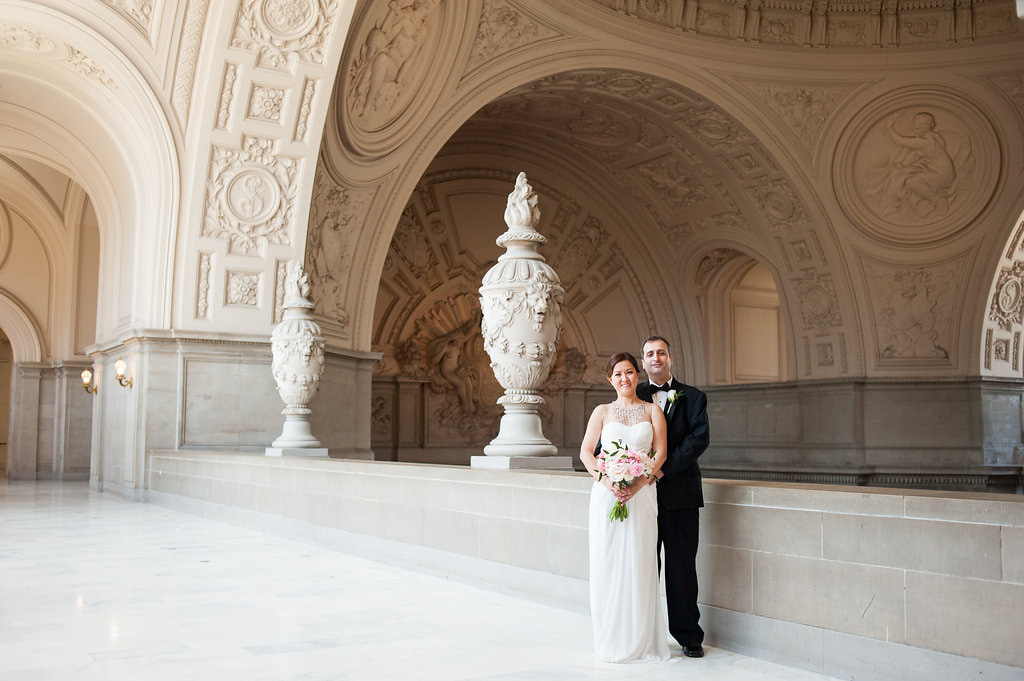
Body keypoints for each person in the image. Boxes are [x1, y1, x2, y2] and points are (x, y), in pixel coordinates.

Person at [579, 352, 670, 662]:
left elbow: (660, 455)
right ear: (610, 379)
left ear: (637, 375)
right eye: (618, 374)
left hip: (642, 494)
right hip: (608, 496)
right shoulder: (602, 411)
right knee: (608, 562)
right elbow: (587, 453)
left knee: (641, 560)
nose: (625, 379)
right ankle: (610, 637)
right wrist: (609, 481)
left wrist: (636, 484)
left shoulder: (652, 410)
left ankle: (641, 639)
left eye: (630, 372)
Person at [638, 335, 710, 658]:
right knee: (642, 566)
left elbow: (699, 440)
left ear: (670, 358)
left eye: (661, 353)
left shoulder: (694, 397)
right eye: (650, 354)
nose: (656, 358)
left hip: (681, 494)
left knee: (682, 568)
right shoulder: (633, 395)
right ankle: (641, 634)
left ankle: (688, 636)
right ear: (643, 362)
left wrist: (663, 468)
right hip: (642, 497)